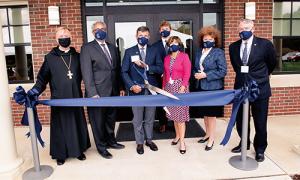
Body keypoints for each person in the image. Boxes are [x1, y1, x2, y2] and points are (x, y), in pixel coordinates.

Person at [31, 27, 91, 165]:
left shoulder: (77, 56)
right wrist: (35, 91)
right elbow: (42, 79)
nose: (64, 37)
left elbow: (87, 75)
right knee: (61, 127)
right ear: (56, 39)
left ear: (71, 37)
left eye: (66, 35)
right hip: (59, 99)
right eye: (61, 35)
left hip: (76, 97)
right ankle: (60, 154)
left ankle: (79, 150)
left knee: (76, 123)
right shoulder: (50, 58)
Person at [229, 19, 276, 162]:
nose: (243, 30)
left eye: (247, 28)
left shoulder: (265, 45)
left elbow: (271, 64)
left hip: (260, 89)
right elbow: (236, 67)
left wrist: (259, 77)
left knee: (260, 121)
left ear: (253, 29)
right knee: (241, 120)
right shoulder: (233, 46)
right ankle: (244, 143)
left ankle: (260, 149)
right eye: (241, 28)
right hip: (241, 89)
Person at [80, 21, 125, 159]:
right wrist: (92, 93)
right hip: (97, 93)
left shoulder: (112, 48)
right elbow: (86, 73)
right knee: (98, 121)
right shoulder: (87, 48)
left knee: (110, 119)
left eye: (103, 28)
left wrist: (121, 87)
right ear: (93, 32)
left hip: (113, 91)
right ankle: (101, 147)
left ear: (106, 30)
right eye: (97, 29)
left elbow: (116, 70)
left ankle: (111, 141)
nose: (100, 31)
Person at [122, 26, 163, 155]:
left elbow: (160, 69)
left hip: (151, 90)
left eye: (145, 36)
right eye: (140, 35)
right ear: (136, 36)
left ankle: (149, 140)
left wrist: (147, 67)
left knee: (150, 118)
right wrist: (131, 86)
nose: (143, 38)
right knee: (138, 119)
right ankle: (140, 142)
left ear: (149, 37)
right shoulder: (129, 51)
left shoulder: (154, 50)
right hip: (136, 90)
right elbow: (124, 72)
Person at [193, 26, 227, 151]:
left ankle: (211, 139)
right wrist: (196, 74)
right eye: (205, 39)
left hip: (213, 88)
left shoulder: (218, 52)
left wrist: (206, 75)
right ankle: (207, 134)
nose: (207, 41)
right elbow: (196, 67)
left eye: (210, 39)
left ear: (214, 40)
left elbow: (223, 71)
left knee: (212, 115)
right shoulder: (199, 52)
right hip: (201, 86)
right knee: (205, 114)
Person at [162, 36, 191, 154]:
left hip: (180, 87)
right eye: (171, 43)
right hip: (169, 88)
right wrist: (163, 87)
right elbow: (165, 73)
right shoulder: (167, 58)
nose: (173, 45)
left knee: (180, 117)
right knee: (173, 115)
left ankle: (182, 142)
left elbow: (187, 73)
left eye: (175, 43)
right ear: (168, 45)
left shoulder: (184, 56)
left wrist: (183, 87)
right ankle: (177, 136)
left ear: (179, 45)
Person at [152, 20, 172, 133]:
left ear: (170, 30)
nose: (165, 31)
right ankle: (162, 123)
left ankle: (175, 122)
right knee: (161, 101)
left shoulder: (177, 44)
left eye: (167, 29)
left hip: (173, 79)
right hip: (158, 78)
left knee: (173, 100)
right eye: (163, 29)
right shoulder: (155, 46)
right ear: (160, 31)